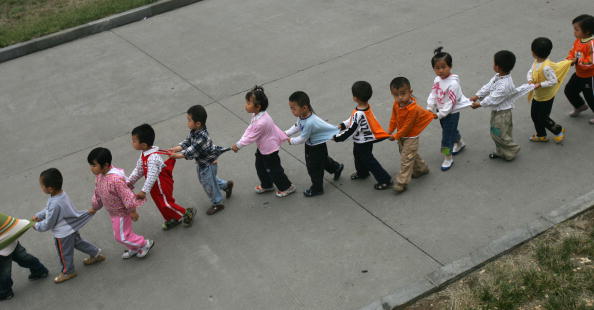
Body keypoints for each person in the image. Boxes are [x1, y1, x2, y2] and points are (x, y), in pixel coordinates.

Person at [32, 168, 105, 283]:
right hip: (70, 228)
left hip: (63, 234)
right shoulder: (61, 194)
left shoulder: (55, 203)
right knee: (78, 243)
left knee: (64, 253)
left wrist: (37, 226)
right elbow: (48, 210)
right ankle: (96, 254)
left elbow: (49, 223)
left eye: (42, 185)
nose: (41, 187)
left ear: (50, 188)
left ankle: (68, 272)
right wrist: (40, 215)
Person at [87, 147, 154, 259]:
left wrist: (132, 211)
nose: (91, 169)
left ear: (105, 165)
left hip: (122, 213)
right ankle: (134, 248)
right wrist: (95, 207)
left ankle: (143, 244)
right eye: (91, 165)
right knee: (124, 234)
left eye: (94, 165)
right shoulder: (99, 177)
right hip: (113, 213)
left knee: (121, 236)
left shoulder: (115, 180)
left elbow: (127, 196)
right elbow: (97, 193)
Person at [127, 124, 195, 230]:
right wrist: (129, 182)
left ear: (144, 145)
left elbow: (151, 176)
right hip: (154, 186)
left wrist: (144, 191)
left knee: (165, 203)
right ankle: (172, 218)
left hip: (161, 184)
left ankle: (186, 213)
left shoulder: (153, 158)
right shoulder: (144, 154)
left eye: (134, 141)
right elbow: (139, 170)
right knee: (160, 204)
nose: (132, 143)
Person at [231, 86, 296, 197]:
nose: (245, 106)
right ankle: (267, 185)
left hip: (269, 149)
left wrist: (238, 145)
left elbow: (251, 137)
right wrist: (239, 142)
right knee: (260, 166)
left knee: (274, 169)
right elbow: (250, 129)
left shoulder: (261, 122)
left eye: (248, 103)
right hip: (263, 147)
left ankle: (287, 187)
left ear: (258, 106)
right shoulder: (256, 114)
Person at [167, 105, 233, 215]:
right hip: (204, 163)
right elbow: (187, 142)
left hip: (208, 164)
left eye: (189, 120)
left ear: (198, 123)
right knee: (209, 180)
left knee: (208, 183)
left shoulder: (202, 138)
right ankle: (226, 185)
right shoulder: (194, 131)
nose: (187, 122)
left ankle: (218, 203)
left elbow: (190, 152)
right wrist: (176, 148)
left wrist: (176, 156)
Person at [334, 81, 393, 189]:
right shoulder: (363, 108)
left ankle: (385, 180)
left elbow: (352, 129)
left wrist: (338, 138)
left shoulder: (359, 113)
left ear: (355, 98)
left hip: (363, 142)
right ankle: (362, 173)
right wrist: (342, 125)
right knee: (358, 157)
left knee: (369, 161)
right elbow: (352, 120)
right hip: (364, 140)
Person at [285, 91, 344, 197]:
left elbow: (303, 138)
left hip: (315, 147)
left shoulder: (310, 122)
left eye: (293, 108)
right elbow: (297, 126)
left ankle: (317, 188)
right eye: (290, 108)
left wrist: (291, 141)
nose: (292, 111)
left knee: (314, 168)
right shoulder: (302, 116)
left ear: (304, 108)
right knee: (323, 160)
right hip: (314, 145)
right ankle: (336, 168)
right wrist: (286, 133)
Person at [470, 50, 524, 161]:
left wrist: (479, 104)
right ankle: (503, 153)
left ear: (498, 67)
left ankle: (512, 149)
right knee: (503, 132)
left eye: (494, 63)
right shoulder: (498, 76)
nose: (492, 65)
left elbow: (493, 99)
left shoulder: (504, 85)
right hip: (499, 111)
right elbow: (488, 86)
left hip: (502, 114)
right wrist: (477, 95)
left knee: (497, 133)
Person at [426, 47, 472, 171]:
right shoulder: (437, 80)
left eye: (443, 67)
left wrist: (439, 114)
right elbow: (433, 94)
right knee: (450, 131)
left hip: (451, 114)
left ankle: (448, 157)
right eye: (437, 68)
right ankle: (460, 143)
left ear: (450, 66)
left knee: (446, 137)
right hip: (440, 112)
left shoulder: (453, 84)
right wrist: (430, 107)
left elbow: (450, 103)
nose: (440, 70)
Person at [387, 77, 435, 193]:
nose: (399, 98)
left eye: (403, 94)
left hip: (411, 137)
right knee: (409, 154)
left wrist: (395, 136)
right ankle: (421, 169)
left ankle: (401, 183)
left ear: (410, 92)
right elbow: (394, 118)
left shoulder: (412, 109)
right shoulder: (396, 104)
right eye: (395, 95)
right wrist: (389, 130)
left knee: (405, 159)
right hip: (402, 136)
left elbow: (407, 127)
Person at [526, 37, 572, 143]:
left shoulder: (546, 68)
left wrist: (539, 84)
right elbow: (531, 70)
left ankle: (558, 131)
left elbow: (553, 81)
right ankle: (541, 135)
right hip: (538, 96)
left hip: (546, 97)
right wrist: (529, 79)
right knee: (534, 115)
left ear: (533, 52)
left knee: (543, 118)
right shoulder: (536, 61)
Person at [0, 212, 48, 301]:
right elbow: (10, 223)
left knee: (3, 272)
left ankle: (5, 292)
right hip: (12, 242)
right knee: (24, 258)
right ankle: (40, 271)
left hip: (2, 252)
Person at [564, 14, 594, 122]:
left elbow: (591, 62)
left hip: (590, 77)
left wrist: (577, 61)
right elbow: (573, 52)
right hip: (579, 74)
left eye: (577, 30)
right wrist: (569, 59)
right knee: (569, 90)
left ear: (587, 32)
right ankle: (580, 106)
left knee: (591, 97)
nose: (574, 32)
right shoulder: (579, 40)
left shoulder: (591, 44)